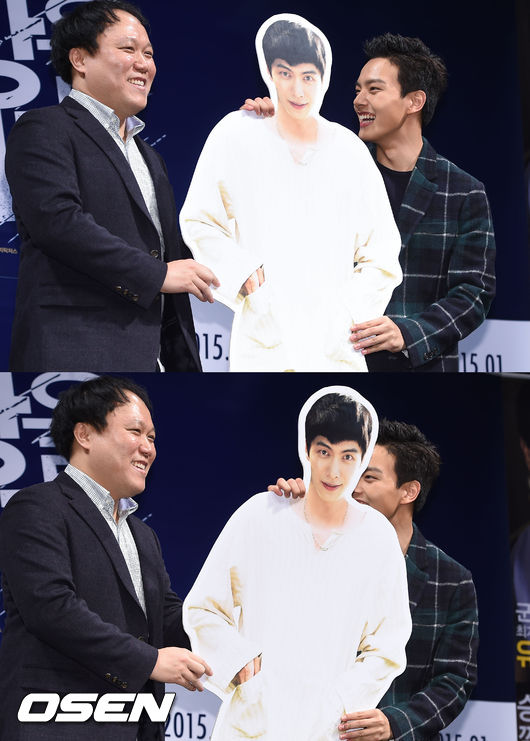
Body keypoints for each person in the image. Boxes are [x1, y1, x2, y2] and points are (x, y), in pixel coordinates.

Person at [243, 33, 496, 371]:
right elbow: (266, 218)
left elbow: (473, 293)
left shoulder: (463, 191)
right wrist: (267, 133)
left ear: (414, 101)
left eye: (374, 90)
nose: (359, 100)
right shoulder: (330, 166)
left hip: (417, 371)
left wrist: (408, 333)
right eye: (357, 90)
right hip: (330, 360)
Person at [184, 387, 411, 740]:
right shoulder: (261, 515)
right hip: (250, 724)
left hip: (327, 729)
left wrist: (340, 702)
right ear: (306, 449)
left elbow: (388, 644)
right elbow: (203, 608)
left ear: (363, 459)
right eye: (324, 451)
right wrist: (238, 662)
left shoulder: (377, 538)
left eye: (348, 456)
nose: (333, 470)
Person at [5, 0, 219, 372]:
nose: (144, 63)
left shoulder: (151, 158)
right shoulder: (44, 127)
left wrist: (258, 133)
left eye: (148, 53)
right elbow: (58, 223)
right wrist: (157, 275)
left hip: (153, 359)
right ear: (80, 59)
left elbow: (173, 253)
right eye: (128, 49)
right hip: (75, 351)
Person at [180, 15, 402, 372]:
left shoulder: (349, 151)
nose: (298, 90)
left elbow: (382, 252)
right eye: (285, 74)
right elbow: (200, 220)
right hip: (263, 341)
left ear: (324, 79)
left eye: (308, 77)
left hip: (335, 348)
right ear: (269, 73)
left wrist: (347, 312)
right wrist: (242, 274)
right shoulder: (237, 135)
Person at [0, 376, 211, 741]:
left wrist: (286, 522)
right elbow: (52, 609)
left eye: (152, 438)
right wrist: (151, 661)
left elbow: (169, 619)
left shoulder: (142, 535)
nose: (148, 448)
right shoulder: (37, 506)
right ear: (85, 434)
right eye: (136, 432)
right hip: (57, 726)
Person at [270, 419, 479, 740]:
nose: (354, 487)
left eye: (369, 477)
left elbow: (454, 680)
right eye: (354, 473)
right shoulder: (316, 548)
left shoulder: (451, 580)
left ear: (408, 491)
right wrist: (287, 516)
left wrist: (394, 722)